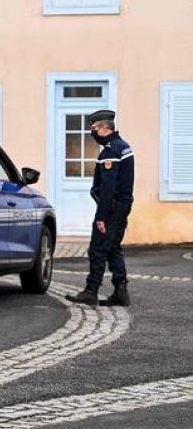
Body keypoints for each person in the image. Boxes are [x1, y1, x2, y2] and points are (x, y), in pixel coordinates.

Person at [66, 109, 135, 307]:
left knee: (97, 249)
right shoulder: (124, 147)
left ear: (105, 128)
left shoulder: (110, 152)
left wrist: (101, 217)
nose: (93, 132)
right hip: (123, 205)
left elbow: (108, 188)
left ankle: (91, 291)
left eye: (95, 128)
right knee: (113, 248)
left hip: (111, 207)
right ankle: (121, 292)